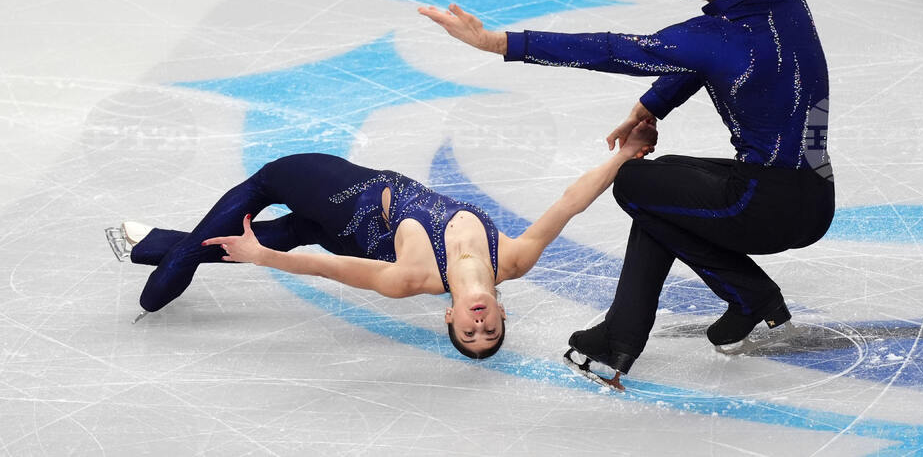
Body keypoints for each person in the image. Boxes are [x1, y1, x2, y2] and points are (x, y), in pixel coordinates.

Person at [419, 0, 835, 378]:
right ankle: (638, 331)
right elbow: (708, 58)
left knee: (635, 183)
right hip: (814, 194)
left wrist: (498, 43)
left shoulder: (716, 37)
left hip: (764, 207)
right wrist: (651, 106)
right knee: (661, 184)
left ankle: (739, 298)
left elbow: (614, 50)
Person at [109, 121, 656, 360]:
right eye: (489, 331)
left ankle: (167, 265)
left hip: (343, 201)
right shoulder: (514, 259)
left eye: (469, 333)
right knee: (286, 227)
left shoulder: (412, 279)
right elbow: (570, 203)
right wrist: (626, 154)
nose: (479, 325)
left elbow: (328, 269)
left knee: (269, 178)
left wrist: (262, 257)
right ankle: (151, 245)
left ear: (449, 317)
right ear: (501, 314)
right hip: (327, 224)